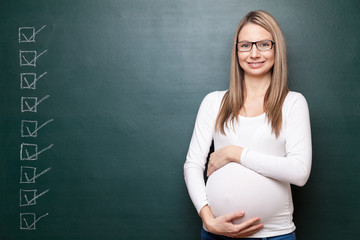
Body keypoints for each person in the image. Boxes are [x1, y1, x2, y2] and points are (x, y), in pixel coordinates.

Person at [184, 10, 312, 240]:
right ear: (237, 51)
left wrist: (235, 153)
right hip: (215, 234)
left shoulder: (293, 103)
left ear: (276, 48)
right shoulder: (214, 102)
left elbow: (299, 172)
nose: (254, 53)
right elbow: (193, 165)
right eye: (245, 45)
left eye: (263, 44)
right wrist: (208, 219)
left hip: (274, 236)